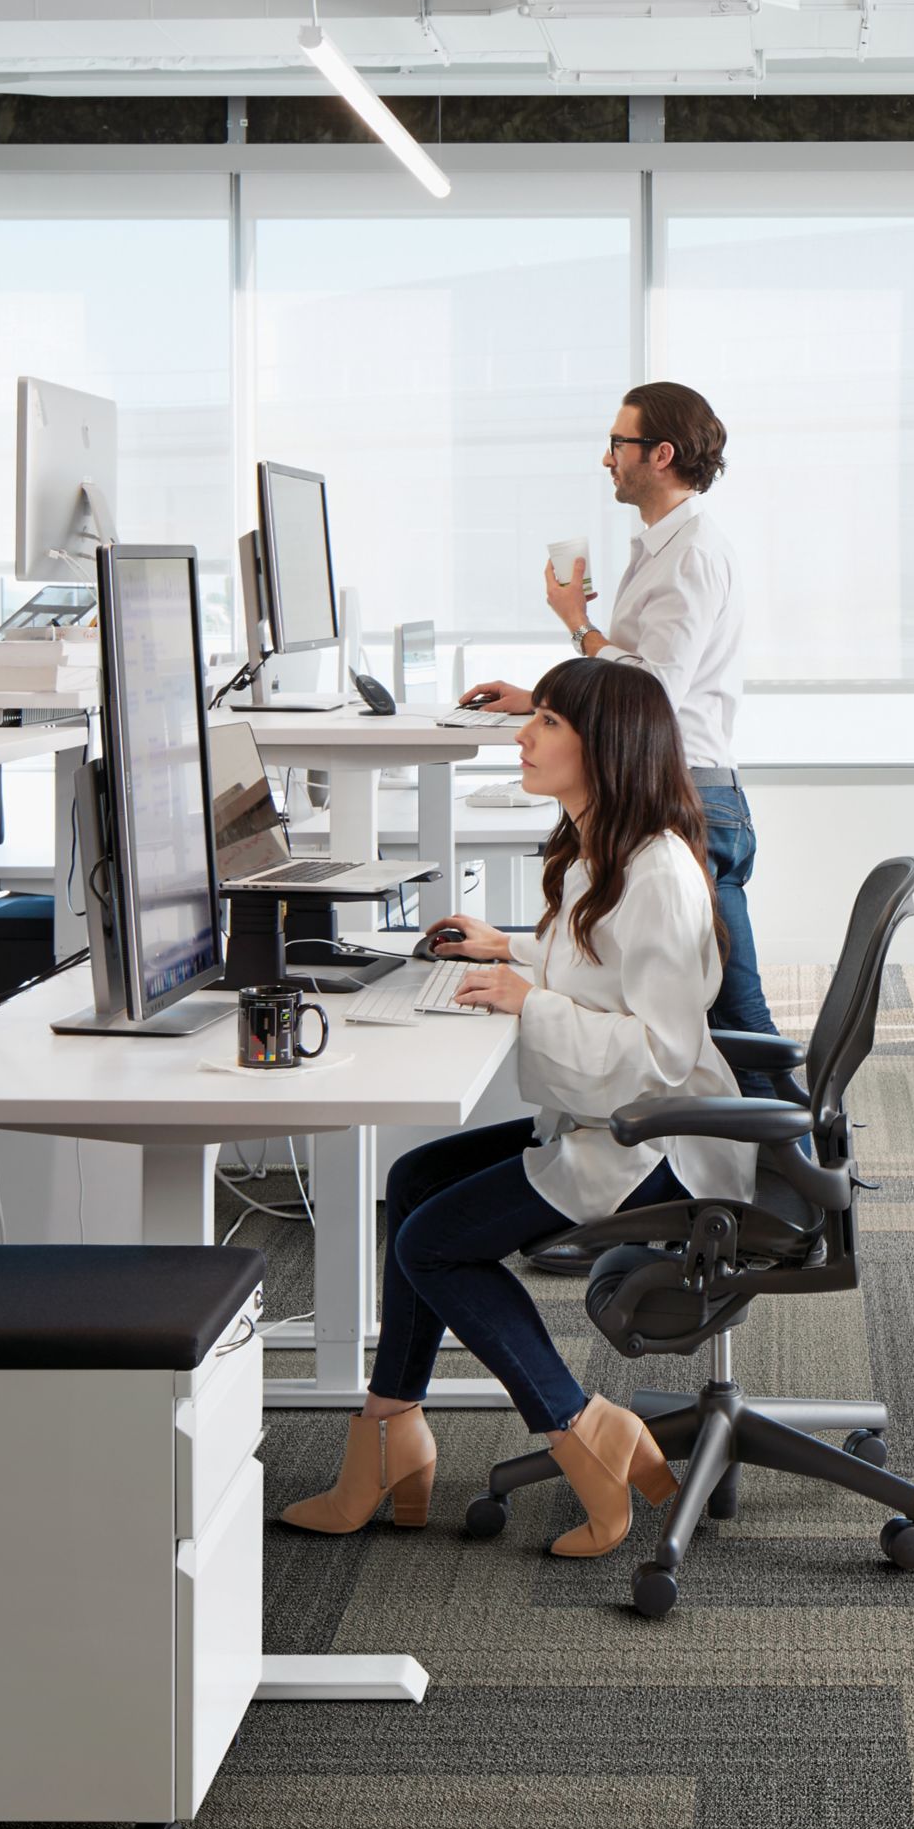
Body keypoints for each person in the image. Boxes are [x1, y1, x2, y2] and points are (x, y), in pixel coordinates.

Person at [280, 657, 752, 1561]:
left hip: (654, 1140)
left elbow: (660, 1052)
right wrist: (514, 954)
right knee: (416, 1179)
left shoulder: (655, 873)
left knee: (431, 1242)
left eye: (547, 725)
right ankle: (389, 1434)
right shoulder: (605, 848)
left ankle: (583, 1429)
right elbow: (596, 973)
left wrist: (525, 1000)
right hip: (611, 1121)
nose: (522, 736)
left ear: (604, 748)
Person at [462, 380, 778, 1061]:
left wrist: (579, 625)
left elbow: (657, 691)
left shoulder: (690, 552)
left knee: (735, 1018)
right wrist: (546, 700)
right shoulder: (663, 545)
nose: (607, 459)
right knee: (727, 1009)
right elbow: (637, 675)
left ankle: (802, 1160)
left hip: (687, 790)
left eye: (617, 443)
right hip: (676, 783)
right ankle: (796, 1153)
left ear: (660, 454)